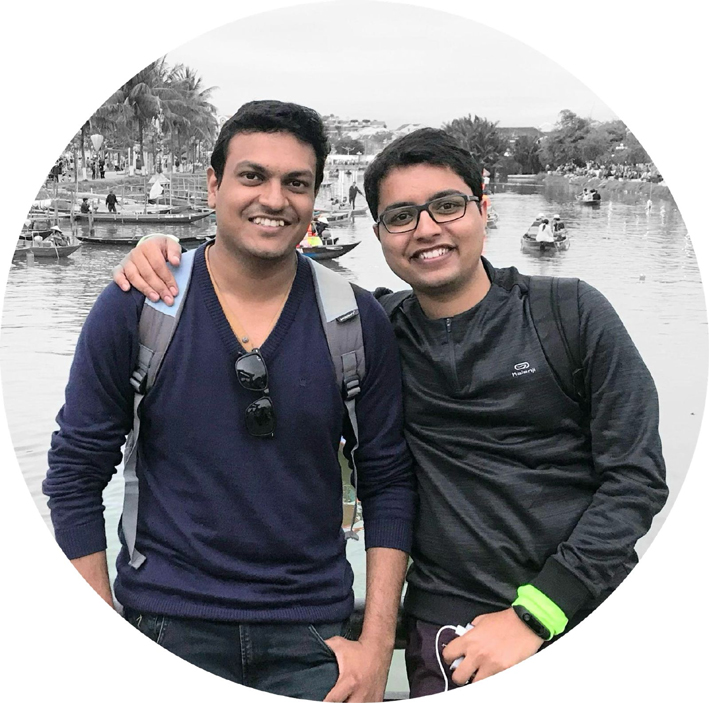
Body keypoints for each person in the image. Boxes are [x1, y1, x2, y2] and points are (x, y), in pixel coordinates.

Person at [113, 127, 668, 697]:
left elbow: (636, 480)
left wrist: (536, 614)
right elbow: (261, 300)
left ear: (483, 208)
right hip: (447, 630)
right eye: (401, 216)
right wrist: (168, 256)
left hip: (583, 609)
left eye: (447, 206)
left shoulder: (570, 314)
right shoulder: (373, 330)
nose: (426, 229)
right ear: (378, 233)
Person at [45, 100, 416, 701]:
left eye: (296, 182)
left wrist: (377, 647)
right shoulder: (141, 305)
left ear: (315, 196)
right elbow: (75, 471)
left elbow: (388, 480)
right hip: (164, 625)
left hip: (313, 638)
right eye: (252, 176)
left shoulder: (353, 319)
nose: (274, 198)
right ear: (214, 184)